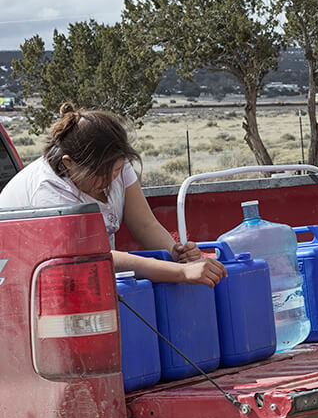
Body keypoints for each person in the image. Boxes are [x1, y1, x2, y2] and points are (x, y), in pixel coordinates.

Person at [0, 103, 226, 286]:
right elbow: (95, 255)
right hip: (25, 285)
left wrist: (175, 253)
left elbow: (145, 225)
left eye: (117, 170)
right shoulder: (49, 191)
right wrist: (180, 272)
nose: (110, 181)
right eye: (100, 175)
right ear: (69, 164)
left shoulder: (114, 162)